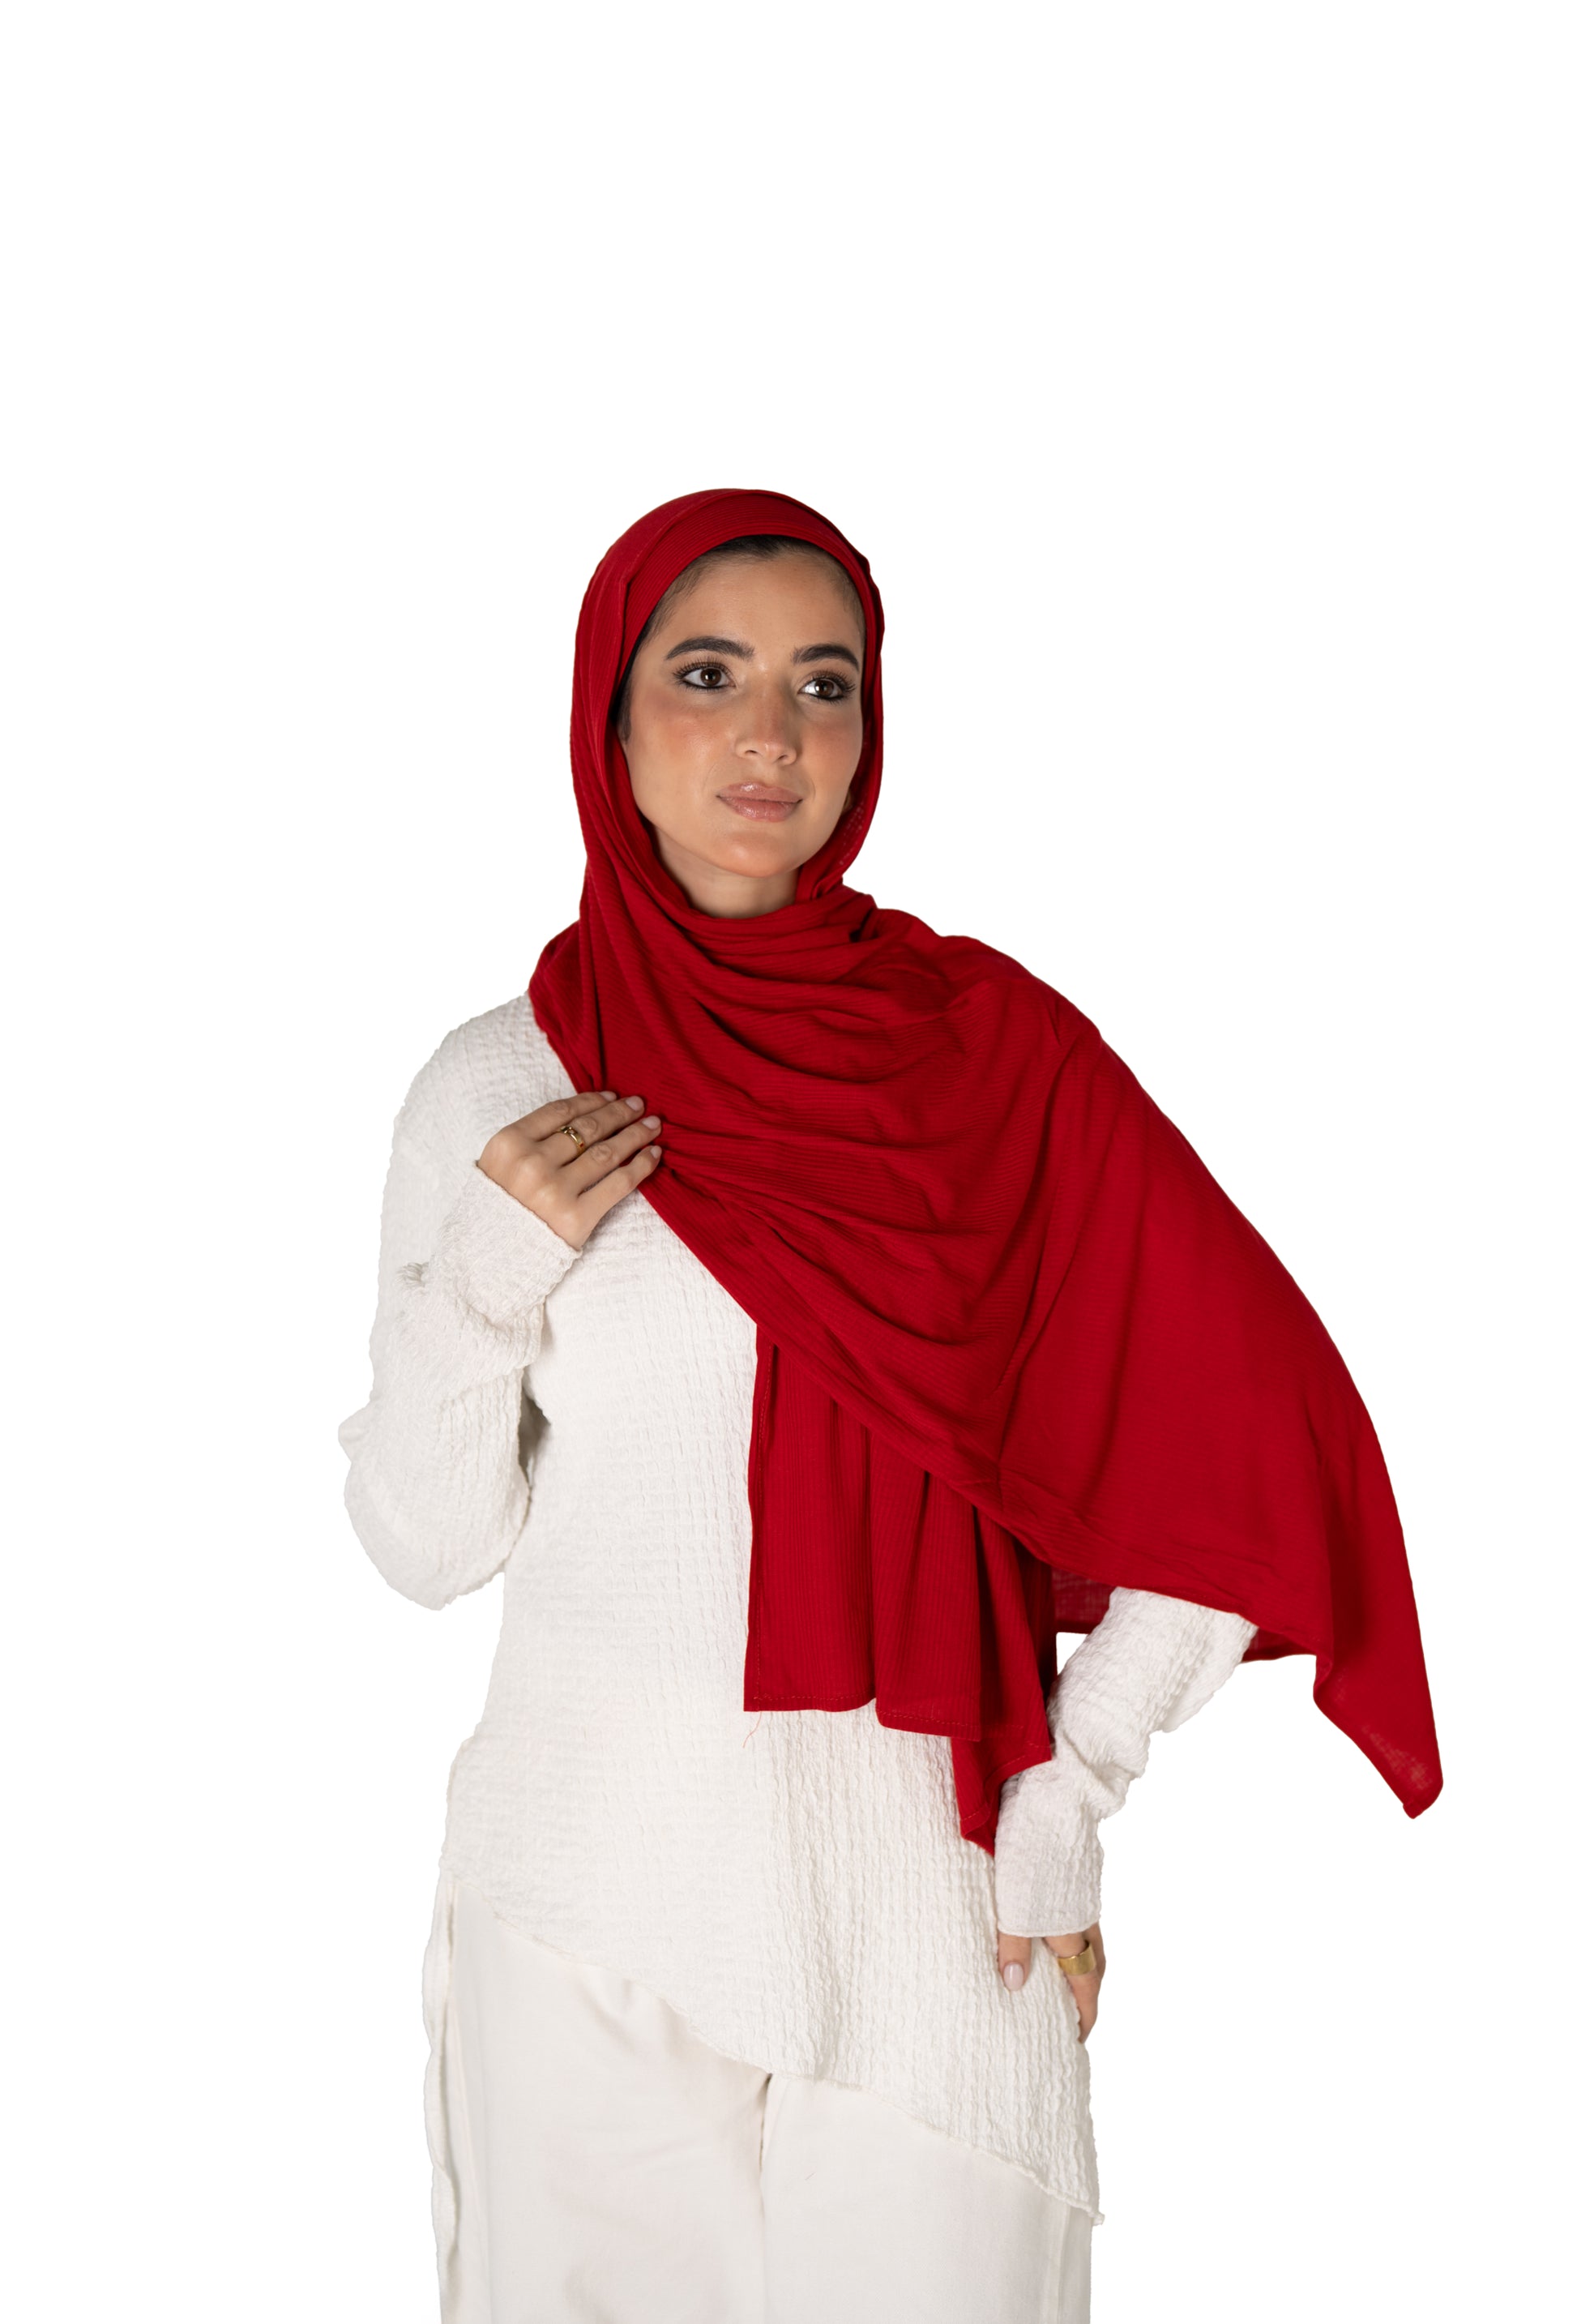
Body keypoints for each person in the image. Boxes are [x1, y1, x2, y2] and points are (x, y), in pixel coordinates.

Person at [340, 490, 1440, 2323]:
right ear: (610, 716)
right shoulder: (500, 1085)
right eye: (707, 675)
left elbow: (1255, 1452)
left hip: (938, 1914)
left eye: (823, 683)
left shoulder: (987, 1056)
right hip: (586, 1895)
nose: (771, 735)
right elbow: (423, 1544)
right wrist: (484, 1279)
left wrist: (1068, 1789)